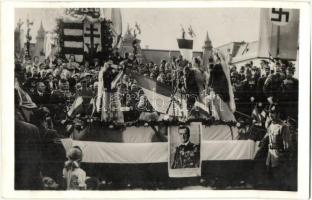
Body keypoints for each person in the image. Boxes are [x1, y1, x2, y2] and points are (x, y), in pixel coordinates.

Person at [259, 104, 292, 189]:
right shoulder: (271, 125)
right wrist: (262, 140)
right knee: (269, 181)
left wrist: (283, 160)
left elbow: (287, 147)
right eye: (269, 112)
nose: (270, 114)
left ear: (278, 113)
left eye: (273, 112)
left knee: (278, 183)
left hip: (278, 159)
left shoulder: (284, 127)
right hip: (269, 158)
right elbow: (268, 133)